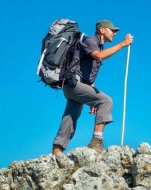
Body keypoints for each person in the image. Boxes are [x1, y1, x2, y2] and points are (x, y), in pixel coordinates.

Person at [52, 20, 133, 155]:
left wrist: (91, 98)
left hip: (74, 85)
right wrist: (123, 44)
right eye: (111, 30)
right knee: (106, 101)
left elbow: (88, 76)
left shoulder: (98, 46)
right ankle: (96, 141)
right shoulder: (91, 41)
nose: (114, 33)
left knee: (70, 116)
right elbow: (99, 56)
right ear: (102, 30)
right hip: (73, 83)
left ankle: (57, 151)